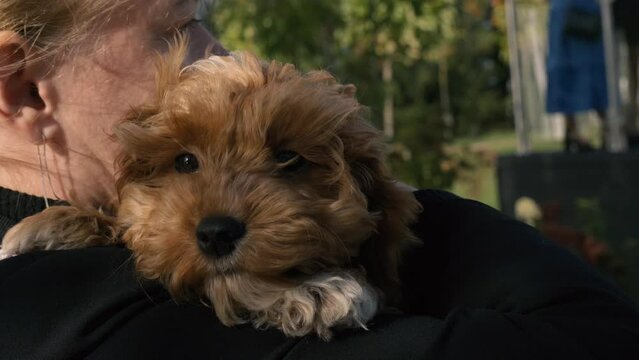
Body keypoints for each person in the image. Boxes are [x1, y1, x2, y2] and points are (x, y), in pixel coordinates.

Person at [0, 1, 638, 359]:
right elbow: (598, 339)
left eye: (285, 163)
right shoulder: (55, 307)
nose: (215, 51)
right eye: (176, 30)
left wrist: (369, 197)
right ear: (24, 87)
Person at [546, 0, 608, 152]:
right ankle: (575, 132)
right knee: (570, 71)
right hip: (569, 15)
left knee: (591, 72)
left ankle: (605, 127)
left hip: (582, 13)